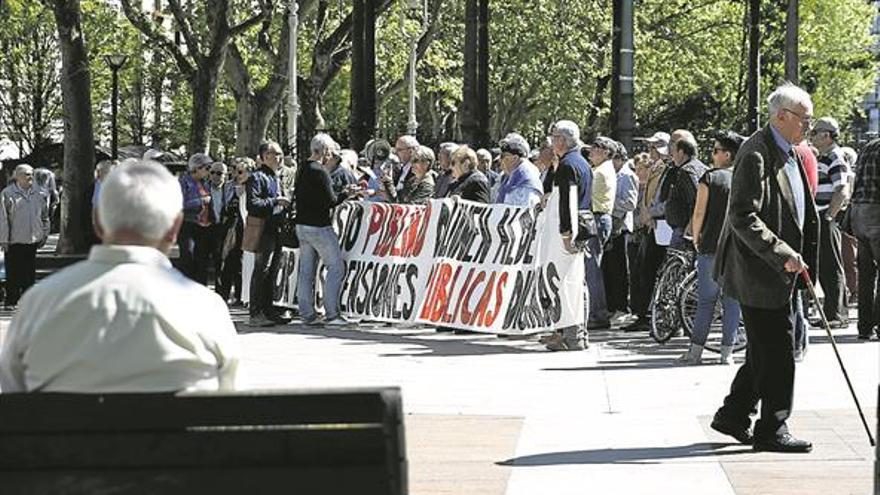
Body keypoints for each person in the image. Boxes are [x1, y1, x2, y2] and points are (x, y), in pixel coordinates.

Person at [0, 160, 239, 392]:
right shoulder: (207, 310)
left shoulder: (38, 303)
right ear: (175, 227)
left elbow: (13, 389)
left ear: (97, 221)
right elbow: (229, 395)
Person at [711, 83, 818, 453]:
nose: (809, 125)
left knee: (763, 349)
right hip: (761, 271)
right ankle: (772, 427)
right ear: (782, 117)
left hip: (781, 272)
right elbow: (743, 216)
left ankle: (733, 414)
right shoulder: (756, 152)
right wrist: (782, 251)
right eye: (805, 118)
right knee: (778, 352)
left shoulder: (789, 150)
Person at [678, 130, 743, 365]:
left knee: (706, 301)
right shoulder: (744, 177)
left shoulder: (710, 178)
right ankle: (727, 353)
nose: (713, 155)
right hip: (736, 247)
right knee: (732, 301)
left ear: (727, 154)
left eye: (716, 151)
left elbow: (699, 212)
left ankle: (695, 352)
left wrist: (696, 237)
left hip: (710, 245)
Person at [294, 134, 358, 326]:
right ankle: (332, 313)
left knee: (306, 271)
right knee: (335, 267)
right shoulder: (320, 171)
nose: (331, 154)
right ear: (324, 150)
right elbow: (331, 201)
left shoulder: (303, 168)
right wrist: (347, 193)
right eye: (329, 150)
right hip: (319, 226)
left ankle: (307, 313)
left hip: (302, 225)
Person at [542, 120, 592, 351]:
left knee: (565, 283)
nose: (552, 142)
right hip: (581, 227)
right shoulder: (581, 162)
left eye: (554, 138)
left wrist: (565, 233)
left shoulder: (568, 165)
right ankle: (575, 334)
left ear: (562, 140)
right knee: (574, 282)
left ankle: (569, 335)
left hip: (569, 231)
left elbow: (566, 201)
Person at [624, 132, 670, 331]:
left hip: (661, 225)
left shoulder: (666, 169)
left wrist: (651, 213)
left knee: (650, 269)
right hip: (650, 226)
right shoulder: (655, 169)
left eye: (655, 147)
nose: (651, 151)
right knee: (642, 269)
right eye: (650, 147)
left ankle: (649, 314)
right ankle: (643, 313)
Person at [809, 117, 851, 327]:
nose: (811, 136)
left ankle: (836, 315)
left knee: (831, 264)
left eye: (815, 132)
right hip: (823, 216)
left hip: (827, 217)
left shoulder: (835, 156)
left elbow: (842, 189)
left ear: (826, 135)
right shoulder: (825, 156)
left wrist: (828, 216)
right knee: (825, 265)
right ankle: (832, 313)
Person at [246, 141, 291, 327]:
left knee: (272, 271)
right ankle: (255, 312)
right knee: (261, 271)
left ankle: (268, 309)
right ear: (265, 156)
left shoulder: (275, 176)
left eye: (281, 154)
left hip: (276, 229)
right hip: (263, 230)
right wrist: (275, 201)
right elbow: (253, 204)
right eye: (276, 154)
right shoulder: (257, 177)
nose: (279, 158)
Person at [0, 165, 50, 309]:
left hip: (32, 239)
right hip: (14, 240)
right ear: (17, 177)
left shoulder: (39, 193)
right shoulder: (7, 193)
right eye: (27, 174)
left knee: (29, 271)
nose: (31, 177)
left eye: (32, 174)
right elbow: (3, 218)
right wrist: (3, 239)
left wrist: (44, 233)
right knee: (13, 271)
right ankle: (11, 300)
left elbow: (45, 216)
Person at [585, 136, 618, 329]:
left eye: (596, 148)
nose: (591, 150)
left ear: (606, 152)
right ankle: (596, 312)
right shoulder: (603, 169)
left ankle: (598, 314)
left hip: (597, 218)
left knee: (592, 270)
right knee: (593, 268)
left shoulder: (599, 172)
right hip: (601, 218)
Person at [849, 138, 880, 340]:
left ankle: (864, 326)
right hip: (877, 211)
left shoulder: (869, 146)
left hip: (859, 212)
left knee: (866, 274)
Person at [603, 142, 638, 319]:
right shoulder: (612, 174)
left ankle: (621, 306)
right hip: (611, 225)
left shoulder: (626, 176)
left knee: (619, 268)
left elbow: (631, 203)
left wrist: (609, 203)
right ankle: (611, 305)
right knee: (608, 268)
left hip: (621, 226)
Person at [663, 132, 707, 249]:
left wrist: (691, 225)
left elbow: (696, 199)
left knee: (677, 265)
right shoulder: (701, 167)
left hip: (684, 230)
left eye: (674, 151)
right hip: (685, 228)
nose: (671, 155)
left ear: (681, 152)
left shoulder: (687, 171)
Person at [177, 153, 214, 284]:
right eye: (207, 168)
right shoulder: (184, 182)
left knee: (202, 260)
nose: (209, 171)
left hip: (204, 226)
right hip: (188, 224)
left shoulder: (206, 184)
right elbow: (179, 204)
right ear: (197, 168)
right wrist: (200, 201)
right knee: (188, 257)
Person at [494, 133, 542, 207]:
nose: (501, 161)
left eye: (504, 157)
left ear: (515, 158)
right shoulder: (509, 177)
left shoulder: (526, 179)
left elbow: (525, 212)